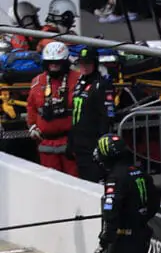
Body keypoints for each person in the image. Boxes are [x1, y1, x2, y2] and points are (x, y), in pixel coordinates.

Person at [67, 50, 120, 182]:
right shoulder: (79, 84)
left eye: (87, 63)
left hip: (93, 141)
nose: (84, 67)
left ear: (94, 64)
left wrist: (100, 144)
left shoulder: (102, 84)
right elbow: (74, 113)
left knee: (94, 180)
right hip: (79, 142)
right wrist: (71, 141)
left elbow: (107, 116)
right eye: (81, 64)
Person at [26, 41, 76, 175]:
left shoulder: (77, 79)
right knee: (51, 181)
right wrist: (32, 125)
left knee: (75, 181)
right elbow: (31, 106)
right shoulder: (38, 81)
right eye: (50, 63)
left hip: (71, 143)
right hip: (46, 144)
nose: (53, 66)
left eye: (57, 63)